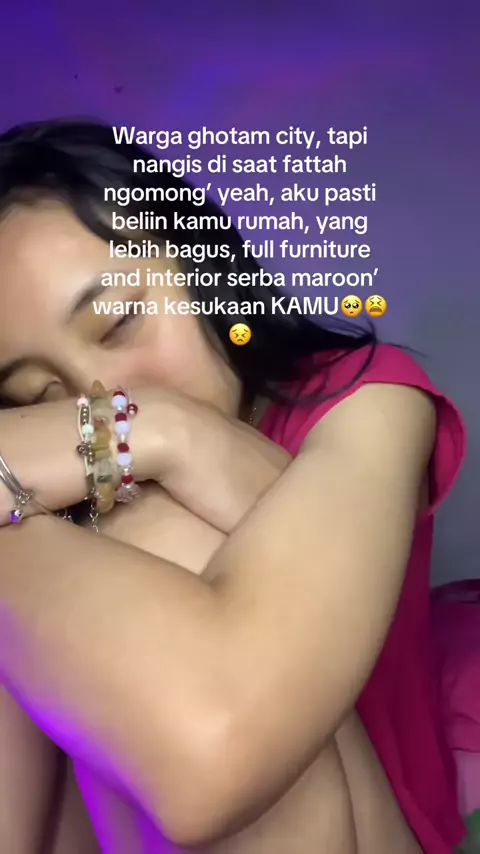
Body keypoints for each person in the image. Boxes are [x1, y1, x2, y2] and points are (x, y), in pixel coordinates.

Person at [0, 118, 467, 853]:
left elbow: (214, 751)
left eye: (118, 322)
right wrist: (159, 430)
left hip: (365, 817)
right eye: (39, 396)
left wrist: (160, 435)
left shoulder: (369, 402)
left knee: (136, 532)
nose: (99, 395)